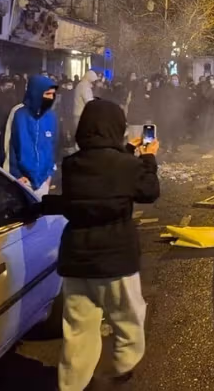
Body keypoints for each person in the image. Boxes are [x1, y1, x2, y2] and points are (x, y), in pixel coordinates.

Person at [43, 99, 160, 391]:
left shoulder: (72, 164)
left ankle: (72, 383)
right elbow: (148, 191)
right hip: (116, 259)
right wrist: (147, 158)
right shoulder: (127, 166)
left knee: (78, 329)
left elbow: (101, 176)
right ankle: (121, 369)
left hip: (77, 258)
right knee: (128, 319)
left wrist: (129, 152)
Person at [2, 75, 59, 198]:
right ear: (36, 93)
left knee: (40, 214)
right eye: (47, 94)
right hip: (22, 180)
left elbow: (53, 145)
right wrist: (14, 175)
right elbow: (9, 145)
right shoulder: (18, 113)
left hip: (43, 180)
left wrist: (50, 174)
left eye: (53, 94)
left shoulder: (52, 116)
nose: (51, 98)